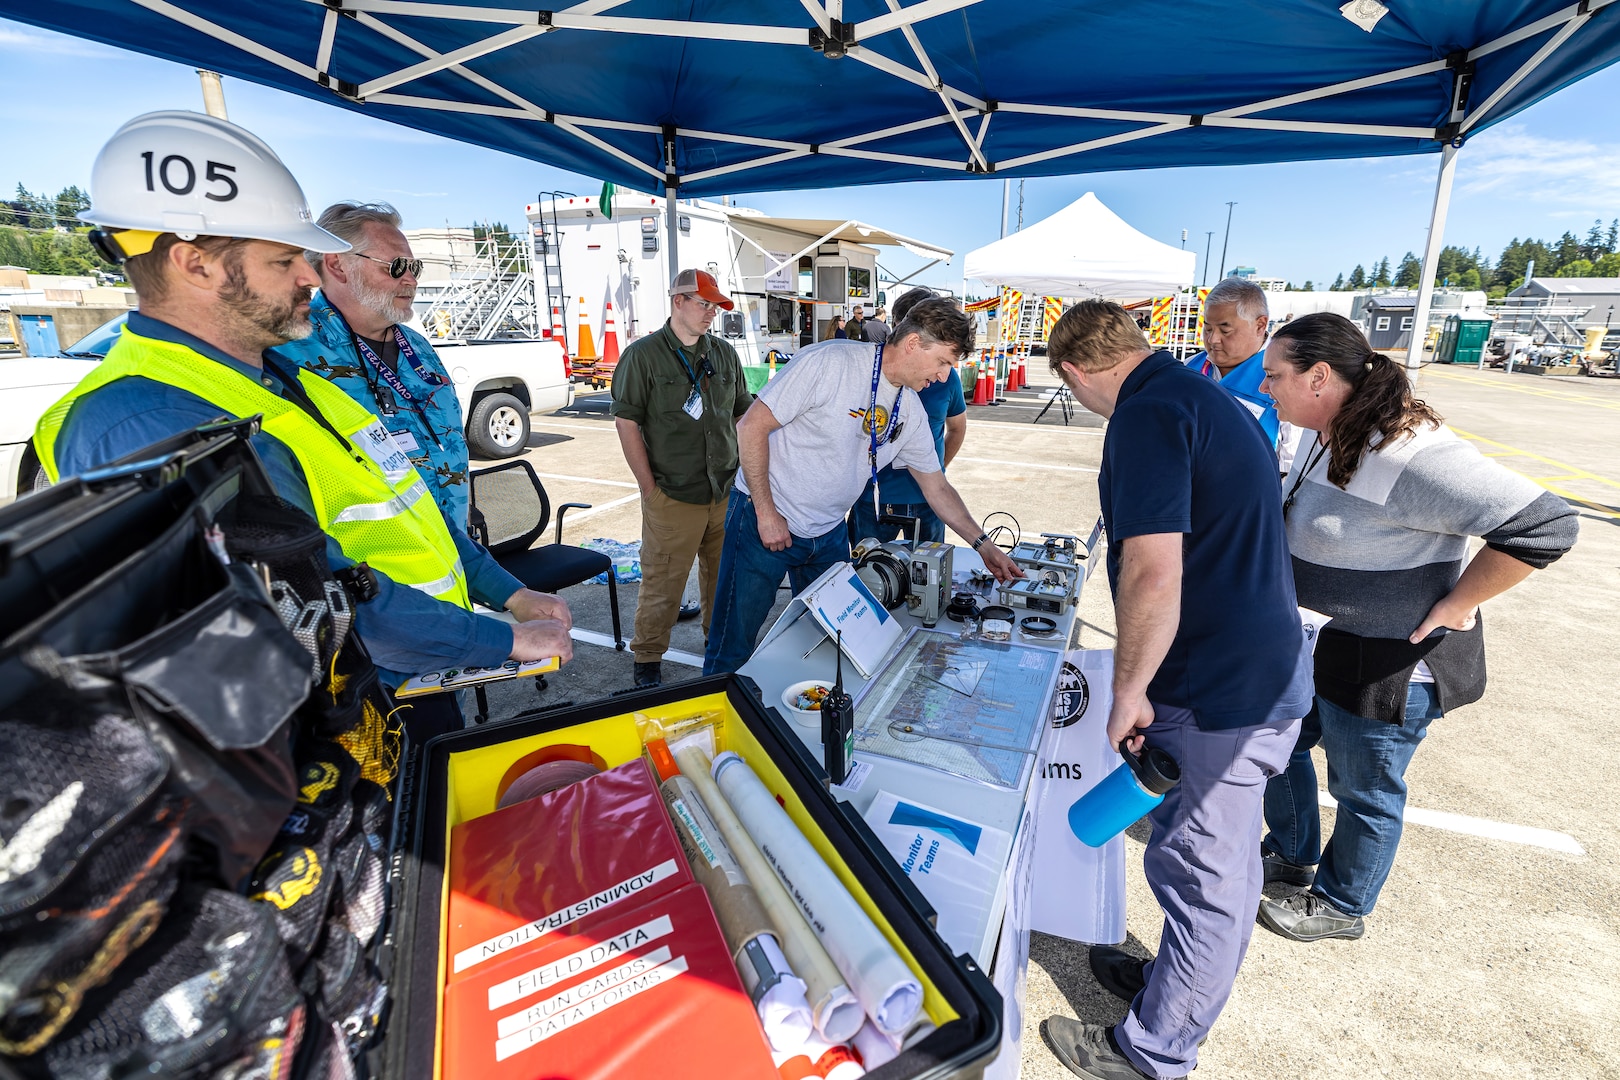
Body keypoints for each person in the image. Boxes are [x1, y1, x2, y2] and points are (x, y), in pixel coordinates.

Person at [34, 111, 572, 742]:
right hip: (334, 727)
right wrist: (501, 636)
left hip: (409, 680)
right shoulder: (146, 423)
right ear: (195, 264)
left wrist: (505, 593)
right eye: (286, 258)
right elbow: (318, 603)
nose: (312, 275)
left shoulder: (285, 380)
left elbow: (414, 509)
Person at [1037, 300, 1312, 1080]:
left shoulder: (1146, 414)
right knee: (1188, 856)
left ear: (1074, 372)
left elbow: (1153, 570)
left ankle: (1153, 1053)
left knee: (1202, 875)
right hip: (1247, 669)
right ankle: (1168, 988)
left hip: (1226, 689)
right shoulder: (1206, 400)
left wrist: (1128, 689)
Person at [1254, 312, 1578, 941]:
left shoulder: (1410, 453)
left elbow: (1548, 526)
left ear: (1319, 377)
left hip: (1390, 665)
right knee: (1279, 745)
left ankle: (1343, 905)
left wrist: (1458, 604)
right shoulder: (1327, 432)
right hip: (1326, 645)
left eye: (1275, 376)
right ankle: (1293, 856)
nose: (1266, 388)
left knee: (1365, 788)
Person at [702, 298, 1022, 675]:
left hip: (830, 532)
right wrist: (766, 513)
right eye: (943, 362)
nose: (942, 376)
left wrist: (983, 544)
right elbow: (750, 427)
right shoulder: (830, 362)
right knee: (733, 646)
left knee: (838, 642)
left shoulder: (911, 409)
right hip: (765, 520)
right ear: (914, 343)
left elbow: (937, 488)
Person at [276, 202, 474, 530]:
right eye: (396, 266)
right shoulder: (290, 352)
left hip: (457, 558)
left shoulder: (418, 347)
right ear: (337, 266)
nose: (410, 280)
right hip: (372, 570)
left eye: (415, 267)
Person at [611, 269, 752, 688]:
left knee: (722, 579)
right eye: (704, 304)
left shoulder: (724, 355)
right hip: (672, 493)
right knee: (663, 581)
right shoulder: (643, 356)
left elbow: (743, 412)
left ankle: (718, 645)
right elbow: (627, 423)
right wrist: (648, 489)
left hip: (724, 489)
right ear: (678, 301)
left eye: (715, 306)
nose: (712, 313)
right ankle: (648, 657)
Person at [846, 287, 966, 546]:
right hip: (874, 498)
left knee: (930, 577)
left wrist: (934, 466)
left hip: (928, 499)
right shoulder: (868, 371)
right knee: (869, 575)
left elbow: (957, 428)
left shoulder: (946, 377)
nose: (940, 373)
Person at [1184, 277, 1302, 473]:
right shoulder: (1189, 369)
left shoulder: (1285, 376)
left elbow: (1289, 466)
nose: (1213, 339)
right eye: (1208, 328)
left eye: (1225, 330)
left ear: (1260, 325)